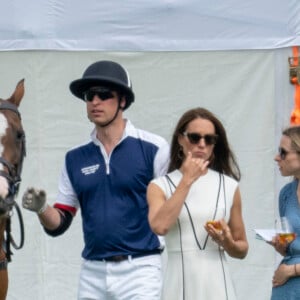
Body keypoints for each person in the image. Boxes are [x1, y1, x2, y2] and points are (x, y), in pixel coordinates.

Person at [22, 60, 170, 300]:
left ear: (123, 100)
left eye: (103, 95)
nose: (95, 102)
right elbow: (60, 222)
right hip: (92, 271)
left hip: (141, 268)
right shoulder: (75, 158)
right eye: (90, 96)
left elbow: (173, 211)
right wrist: (42, 208)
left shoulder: (154, 148)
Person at [147, 107, 248, 300]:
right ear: (180, 139)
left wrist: (227, 242)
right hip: (179, 285)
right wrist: (186, 180)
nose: (202, 144)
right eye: (195, 137)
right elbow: (160, 226)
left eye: (209, 139)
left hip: (219, 286)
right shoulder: (159, 186)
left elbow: (242, 248)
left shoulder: (229, 186)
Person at [270, 125, 300, 299]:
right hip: (287, 290)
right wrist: (281, 246)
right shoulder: (286, 194)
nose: (276, 158)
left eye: (283, 152)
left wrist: (291, 270)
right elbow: (291, 249)